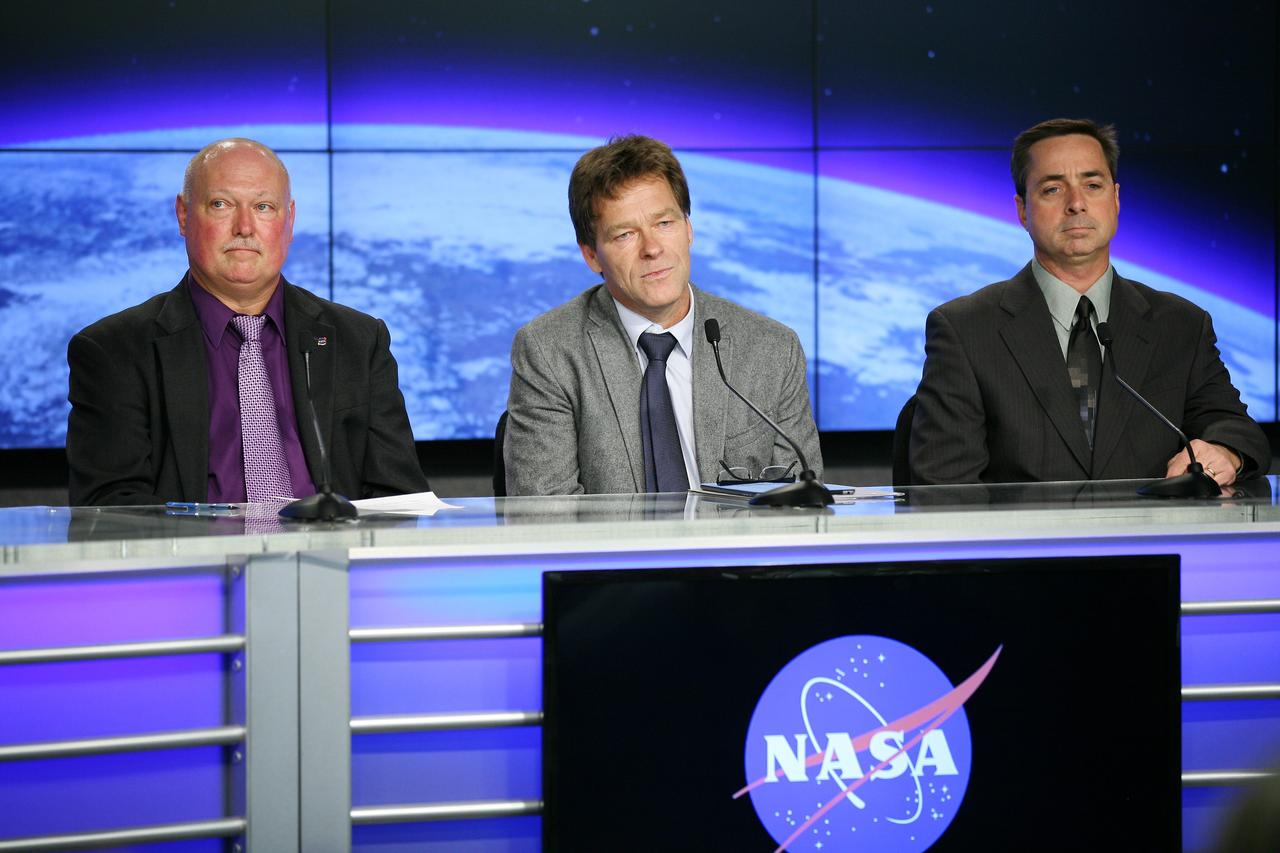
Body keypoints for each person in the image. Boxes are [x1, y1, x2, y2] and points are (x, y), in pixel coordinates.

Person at [909, 117, 1269, 486]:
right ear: (1022, 210)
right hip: (1024, 544)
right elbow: (945, 487)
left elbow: (1236, 428)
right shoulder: (965, 329)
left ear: (1115, 199)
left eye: (1092, 185)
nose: (1076, 204)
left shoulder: (1181, 324)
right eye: (1052, 189)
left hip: (1150, 541)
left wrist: (1225, 452)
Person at [67, 138, 427, 506]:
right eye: (221, 204)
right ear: (184, 215)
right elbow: (111, 511)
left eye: (264, 207)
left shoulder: (359, 340)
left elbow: (399, 499)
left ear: (289, 220)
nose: (244, 227)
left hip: (330, 560)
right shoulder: (114, 351)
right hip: (196, 560)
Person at [504, 134, 822, 495]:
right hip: (616, 553)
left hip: (737, 553)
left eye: (664, 224)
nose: (652, 248)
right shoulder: (551, 351)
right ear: (591, 255)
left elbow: (800, 508)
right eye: (625, 234)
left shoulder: (771, 350)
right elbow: (547, 514)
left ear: (688, 228)